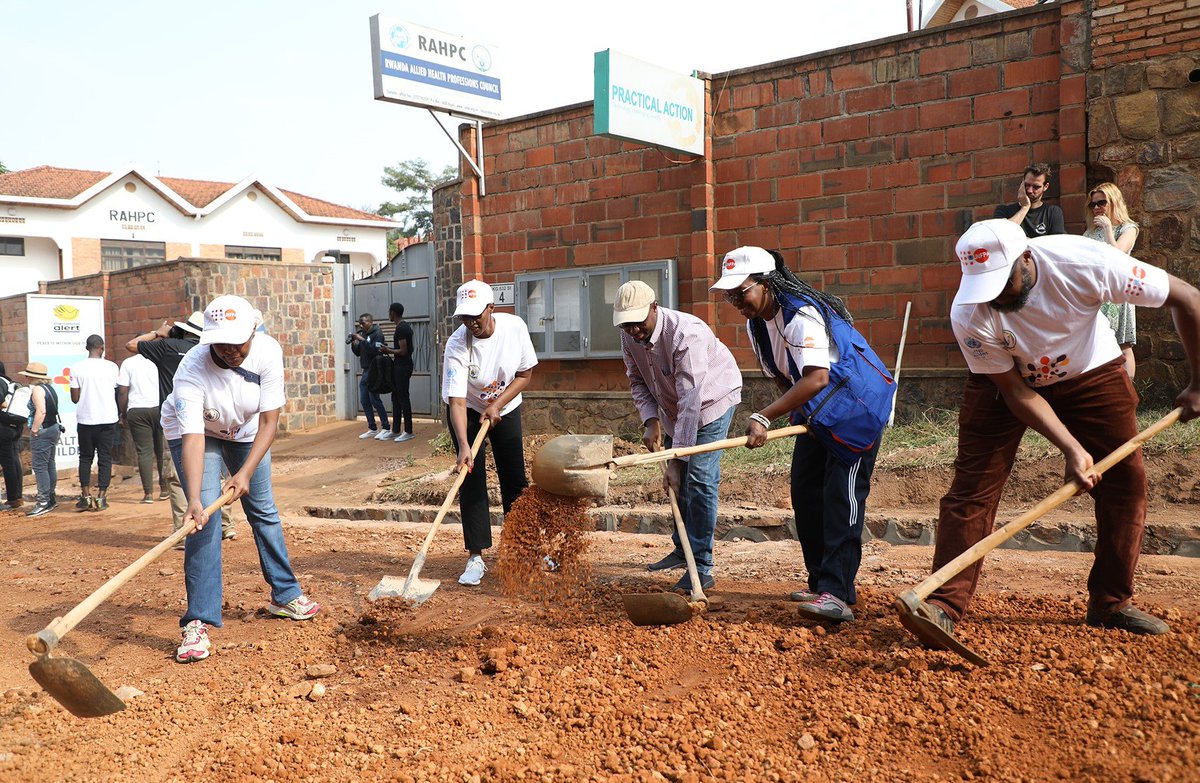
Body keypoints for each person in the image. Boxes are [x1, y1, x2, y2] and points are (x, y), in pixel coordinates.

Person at [911, 218, 1200, 642]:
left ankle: (1111, 602)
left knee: (1126, 484)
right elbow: (1014, 391)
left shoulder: (1085, 262)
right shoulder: (969, 310)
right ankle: (941, 605)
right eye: (983, 286)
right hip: (1005, 384)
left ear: (1026, 256)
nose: (992, 295)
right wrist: (1069, 446)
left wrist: (1198, 382)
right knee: (973, 487)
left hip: (1090, 371)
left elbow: (1188, 298)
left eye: (1002, 282)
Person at [712, 247, 895, 623]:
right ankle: (821, 583)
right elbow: (787, 377)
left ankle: (837, 594)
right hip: (817, 413)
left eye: (740, 292)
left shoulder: (802, 313)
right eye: (729, 295)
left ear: (766, 284)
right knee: (806, 493)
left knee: (840, 499)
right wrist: (795, 412)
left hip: (855, 410)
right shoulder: (758, 324)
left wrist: (764, 416)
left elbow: (817, 377)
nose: (735, 301)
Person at [168, 295, 320, 663]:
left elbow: (270, 421)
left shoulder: (268, 352)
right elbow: (192, 438)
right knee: (204, 522)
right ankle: (198, 622)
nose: (232, 350)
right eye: (222, 343)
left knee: (263, 510)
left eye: (239, 341)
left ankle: (285, 595)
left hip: (249, 432)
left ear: (253, 331)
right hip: (197, 433)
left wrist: (245, 472)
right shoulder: (191, 369)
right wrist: (192, 499)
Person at [614, 281, 742, 592]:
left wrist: (677, 458)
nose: (633, 330)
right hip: (673, 407)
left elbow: (691, 399)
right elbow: (636, 380)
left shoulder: (688, 334)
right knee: (679, 482)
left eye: (639, 322)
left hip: (710, 401)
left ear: (654, 308)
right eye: (627, 324)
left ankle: (701, 565)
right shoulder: (629, 334)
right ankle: (681, 550)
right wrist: (650, 421)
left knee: (697, 478)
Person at [442, 280, 538, 586]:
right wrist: (463, 446)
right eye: (464, 318)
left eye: (476, 316)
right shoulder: (457, 345)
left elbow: (525, 374)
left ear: (491, 308)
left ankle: (525, 549)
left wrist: (498, 404)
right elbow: (456, 401)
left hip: (505, 407)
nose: (471, 323)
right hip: (467, 411)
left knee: (515, 479)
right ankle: (476, 556)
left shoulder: (514, 328)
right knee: (470, 478)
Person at [127, 313, 237, 540]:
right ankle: (226, 525)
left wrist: (159, 333)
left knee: (179, 477)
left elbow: (132, 345)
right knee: (219, 473)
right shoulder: (213, 353)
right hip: (213, 419)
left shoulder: (167, 347)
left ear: (184, 330)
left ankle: (182, 528)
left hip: (178, 420)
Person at [1083, 182, 1141, 378]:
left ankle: (1129, 396)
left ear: (1114, 202)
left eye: (1102, 202)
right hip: (1096, 292)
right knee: (1097, 344)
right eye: (1093, 204)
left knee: (1122, 346)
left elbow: (1118, 256)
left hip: (1117, 291)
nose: (1097, 207)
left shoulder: (1128, 228)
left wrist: (1108, 230)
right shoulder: (1090, 231)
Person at [70, 335, 119, 512]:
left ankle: (85, 496)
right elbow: (117, 391)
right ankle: (101, 498)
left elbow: (75, 398)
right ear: (102, 348)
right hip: (108, 418)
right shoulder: (112, 367)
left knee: (85, 457)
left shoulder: (77, 368)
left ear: (87, 347)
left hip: (86, 419)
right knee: (105, 458)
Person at [117, 351, 169, 504]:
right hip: (159, 407)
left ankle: (148, 494)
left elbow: (122, 391)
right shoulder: (159, 358)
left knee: (144, 452)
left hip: (137, 410)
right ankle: (165, 489)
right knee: (161, 451)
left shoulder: (128, 363)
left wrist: (124, 412)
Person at [18, 362, 62, 517]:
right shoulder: (50, 388)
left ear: (31, 376)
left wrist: (35, 429)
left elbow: (41, 411)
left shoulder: (37, 389)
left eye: (27, 375)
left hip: (43, 430)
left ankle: (43, 501)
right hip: (53, 428)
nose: (25, 377)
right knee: (50, 464)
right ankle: (50, 498)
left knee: (40, 467)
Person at [993, 163, 1066, 239]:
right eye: (1027, 185)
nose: (1030, 190)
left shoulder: (1052, 212)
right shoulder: (1003, 210)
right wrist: (1025, 207)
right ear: (1022, 183)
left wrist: (1023, 240)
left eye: (1036, 187)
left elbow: (1057, 243)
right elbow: (1000, 236)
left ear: (1045, 186)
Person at [350, 313, 392, 441]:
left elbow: (375, 350)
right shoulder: (363, 334)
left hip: (375, 370)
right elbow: (358, 353)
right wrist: (354, 343)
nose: (361, 326)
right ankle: (372, 428)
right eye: (359, 323)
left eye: (363, 323)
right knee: (364, 399)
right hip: (366, 370)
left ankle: (386, 427)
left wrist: (363, 340)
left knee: (374, 399)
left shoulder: (377, 333)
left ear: (370, 321)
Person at [381, 302, 415, 443]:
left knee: (403, 397)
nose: (388, 314)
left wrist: (388, 350)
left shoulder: (401, 328)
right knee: (396, 397)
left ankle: (408, 431)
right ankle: (395, 430)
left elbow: (403, 351)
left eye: (389, 312)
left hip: (403, 366)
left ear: (393, 313)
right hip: (399, 366)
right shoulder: (402, 327)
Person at [0, 361, 24, 512]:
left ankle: (13, 499)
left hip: (3, 428)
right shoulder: (8, 381)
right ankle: (17, 496)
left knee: (8, 463)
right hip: (15, 426)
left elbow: (2, 403)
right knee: (14, 460)